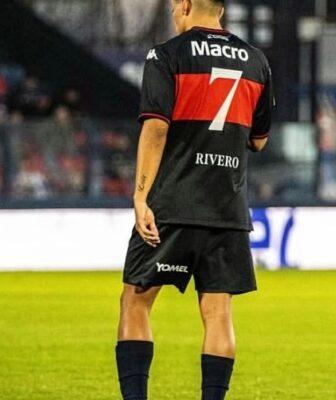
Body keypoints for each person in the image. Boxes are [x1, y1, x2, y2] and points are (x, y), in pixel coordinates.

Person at [115, 0, 274, 399]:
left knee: (136, 301)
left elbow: (155, 128)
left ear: (185, 4)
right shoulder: (256, 62)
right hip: (226, 207)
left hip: (173, 202)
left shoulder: (166, 56)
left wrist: (140, 195)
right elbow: (259, 140)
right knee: (218, 313)